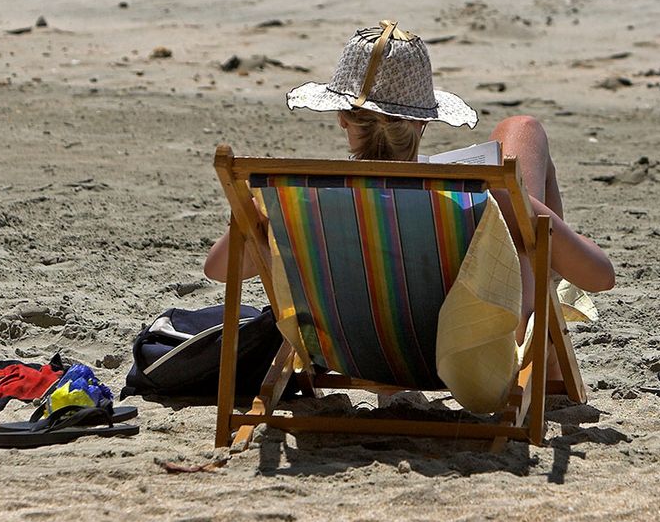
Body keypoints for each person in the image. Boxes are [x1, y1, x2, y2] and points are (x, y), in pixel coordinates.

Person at [203, 20, 615, 341]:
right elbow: (599, 276)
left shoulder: (289, 196)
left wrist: (258, 218)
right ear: (423, 123)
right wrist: (521, 207)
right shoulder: (481, 196)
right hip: (463, 352)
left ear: (342, 118)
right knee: (523, 130)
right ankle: (549, 355)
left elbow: (220, 269)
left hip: (346, 349)